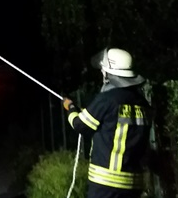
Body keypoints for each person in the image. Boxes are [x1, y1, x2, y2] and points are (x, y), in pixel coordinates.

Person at [62, 48, 152, 198]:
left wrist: (70, 108)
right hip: (134, 184)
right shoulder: (143, 104)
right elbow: (111, 120)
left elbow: (79, 124)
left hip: (106, 185)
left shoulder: (108, 99)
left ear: (108, 73)